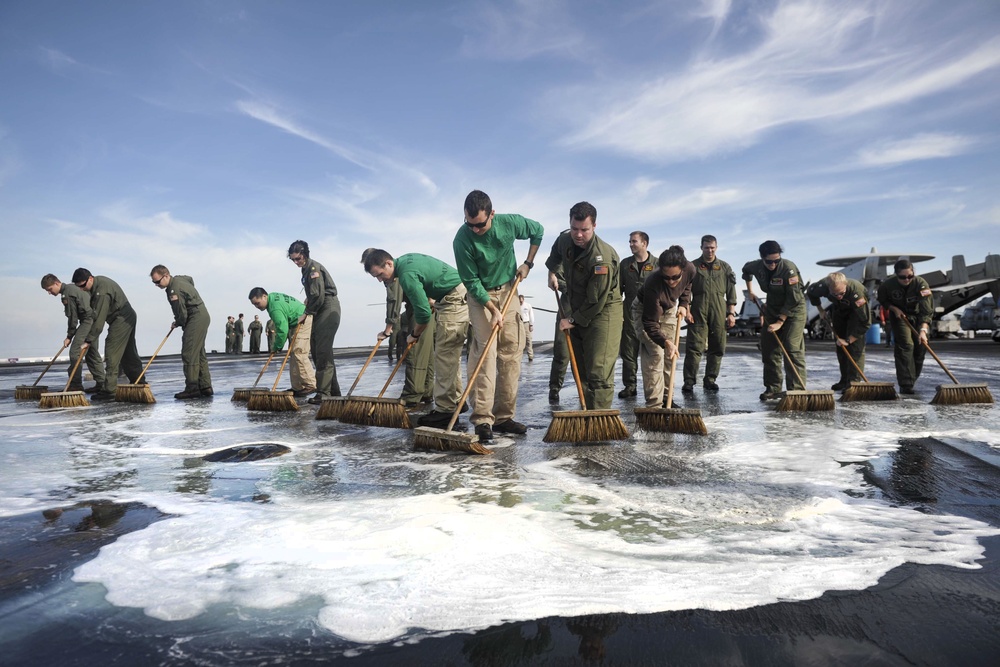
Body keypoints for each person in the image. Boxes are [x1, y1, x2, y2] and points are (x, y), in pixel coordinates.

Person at [454, 189, 543, 442]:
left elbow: (538, 230)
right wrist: (492, 309)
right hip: (480, 295)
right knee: (486, 353)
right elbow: (470, 280)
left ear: (491, 214)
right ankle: (483, 419)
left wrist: (528, 262)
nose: (475, 230)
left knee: (511, 352)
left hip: (509, 289)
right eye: (470, 225)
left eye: (480, 225)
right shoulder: (462, 239)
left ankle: (504, 417)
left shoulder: (509, 223)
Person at [365, 249, 470, 428]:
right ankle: (457, 402)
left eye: (380, 275)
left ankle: (446, 411)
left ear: (389, 263)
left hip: (453, 299)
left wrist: (414, 335)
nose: (380, 280)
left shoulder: (405, 275)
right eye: (376, 277)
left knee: (445, 356)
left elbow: (422, 314)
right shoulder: (406, 261)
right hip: (451, 297)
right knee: (448, 355)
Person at [544, 202, 622, 409]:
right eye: (574, 229)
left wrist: (572, 319)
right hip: (578, 305)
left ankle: (599, 423)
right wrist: (552, 273)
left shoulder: (602, 258)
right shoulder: (565, 240)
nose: (578, 235)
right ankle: (587, 416)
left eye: (584, 230)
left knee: (598, 370)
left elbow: (596, 300)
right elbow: (555, 256)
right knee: (581, 368)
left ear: (594, 226)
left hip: (603, 310)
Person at [742, 241, 807, 400]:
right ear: (762, 258)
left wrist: (780, 321)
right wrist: (751, 291)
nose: (773, 264)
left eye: (776, 261)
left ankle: (797, 390)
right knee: (769, 348)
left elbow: (794, 298)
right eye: (769, 261)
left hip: (793, 310)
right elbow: (746, 270)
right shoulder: (756, 266)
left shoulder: (788, 269)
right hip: (772, 307)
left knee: (791, 347)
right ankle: (773, 388)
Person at [633, 246, 696, 408]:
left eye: (675, 277)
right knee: (655, 354)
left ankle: (668, 399)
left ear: (682, 269)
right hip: (645, 311)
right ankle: (655, 404)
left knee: (670, 355)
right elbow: (650, 323)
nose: (671, 282)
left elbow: (687, 284)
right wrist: (665, 342)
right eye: (666, 278)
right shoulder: (653, 283)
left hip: (669, 309)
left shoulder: (690, 269)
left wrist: (683, 303)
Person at [72, 268, 143, 401]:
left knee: (111, 352)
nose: (81, 289)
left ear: (90, 278)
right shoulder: (97, 285)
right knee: (128, 353)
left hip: (121, 318)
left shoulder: (101, 292)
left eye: (82, 285)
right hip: (125, 317)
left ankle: (109, 390)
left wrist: (88, 340)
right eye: (78, 287)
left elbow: (99, 320)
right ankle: (140, 382)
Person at [288, 240, 342, 404]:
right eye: (293, 260)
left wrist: (307, 313)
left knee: (322, 352)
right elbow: (314, 293)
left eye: (298, 259)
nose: (296, 262)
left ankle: (324, 393)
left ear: (304, 255)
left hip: (327, 307)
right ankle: (333, 392)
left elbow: (318, 296)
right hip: (320, 308)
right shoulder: (305, 270)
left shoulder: (313, 269)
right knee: (320, 351)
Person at [682, 235, 737, 393]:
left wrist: (731, 313)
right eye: (707, 247)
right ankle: (689, 381)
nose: (710, 250)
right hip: (698, 308)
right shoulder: (692, 266)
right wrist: (687, 309)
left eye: (712, 247)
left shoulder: (725, 267)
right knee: (695, 347)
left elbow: (731, 292)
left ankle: (710, 379)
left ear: (716, 247)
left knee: (717, 346)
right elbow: (686, 290)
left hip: (719, 308)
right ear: (701, 248)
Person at [150, 265, 213, 399]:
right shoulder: (179, 279)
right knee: (199, 352)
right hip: (202, 315)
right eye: (154, 282)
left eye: (157, 281)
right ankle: (205, 386)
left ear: (166, 275)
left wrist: (177, 322)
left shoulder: (174, 290)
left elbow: (182, 314)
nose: (156, 285)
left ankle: (192, 388)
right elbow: (190, 279)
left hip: (195, 317)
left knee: (189, 352)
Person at [40, 274, 106, 392]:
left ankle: (75, 384)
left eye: (49, 289)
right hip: (93, 321)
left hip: (87, 321)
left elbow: (73, 318)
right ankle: (102, 384)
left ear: (56, 283)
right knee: (92, 354)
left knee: (75, 352)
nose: (49, 293)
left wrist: (69, 335)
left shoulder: (67, 294)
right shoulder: (72, 288)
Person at [876, 259, 933, 394]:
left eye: (910, 276)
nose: (907, 279)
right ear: (896, 275)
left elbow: (927, 309)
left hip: (919, 317)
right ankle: (906, 384)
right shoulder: (887, 285)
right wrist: (893, 308)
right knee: (906, 345)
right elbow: (883, 299)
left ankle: (912, 379)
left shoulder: (921, 284)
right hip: (900, 317)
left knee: (920, 347)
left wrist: (923, 330)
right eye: (903, 277)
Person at [248, 288, 316, 397]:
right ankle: (298, 387)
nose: (257, 306)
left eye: (257, 303)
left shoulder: (274, 308)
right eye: (254, 305)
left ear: (264, 297)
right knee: (293, 354)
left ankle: (310, 384)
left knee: (299, 352)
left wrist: (276, 347)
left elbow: (282, 330)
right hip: (296, 320)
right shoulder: (273, 297)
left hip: (303, 319)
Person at [809, 272, 871, 391]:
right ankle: (844, 380)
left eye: (841, 293)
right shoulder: (822, 286)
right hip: (839, 309)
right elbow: (811, 292)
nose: (838, 296)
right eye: (834, 294)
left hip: (855, 312)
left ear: (846, 285)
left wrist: (849, 340)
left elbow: (865, 323)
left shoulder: (856, 293)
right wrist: (820, 310)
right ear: (829, 289)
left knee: (855, 348)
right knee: (840, 346)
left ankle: (854, 383)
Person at [618, 231, 656, 399]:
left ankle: (653, 388)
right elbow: (617, 290)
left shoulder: (657, 264)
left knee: (652, 353)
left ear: (644, 243)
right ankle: (630, 386)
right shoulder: (625, 264)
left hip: (651, 315)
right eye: (630, 241)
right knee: (628, 351)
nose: (631, 244)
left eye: (634, 241)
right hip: (629, 314)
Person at [547, 265, 570, 403]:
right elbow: (556, 276)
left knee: (587, 355)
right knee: (562, 351)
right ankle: (555, 387)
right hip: (567, 308)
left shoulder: (596, 254)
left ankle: (588, 389)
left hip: (589, 306)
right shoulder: (565, 255)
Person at [518, 295, 535, 362]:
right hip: (519, 323)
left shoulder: (528, 306)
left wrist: (531, 324)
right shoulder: (517, 306)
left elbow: (531, 315)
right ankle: (519, 357)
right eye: (520, 301)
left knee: (528, 340)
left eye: (521, 301)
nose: (521, 302)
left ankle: (530, 356)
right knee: (520, 340)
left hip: (526, 323)